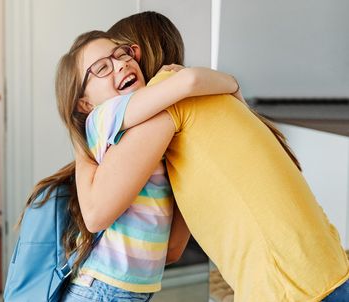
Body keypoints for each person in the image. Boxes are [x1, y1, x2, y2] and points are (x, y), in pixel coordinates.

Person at [67, 11, 348, 301]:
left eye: (123, 54)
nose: (121, 64)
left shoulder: (168, 101)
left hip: (288, 288)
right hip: (328, 270)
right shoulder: (207, 99)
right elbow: (174, 248)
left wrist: (76, 135)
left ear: (136, 54)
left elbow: (96, 213)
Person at [55, 30, 244, 301]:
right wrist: (234, 85)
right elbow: (190, 81)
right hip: (102, 288)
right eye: (102, 68)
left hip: (122, 288)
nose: (120, 64)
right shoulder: (101, 116)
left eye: (121, 53)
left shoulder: (137, 127)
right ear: (85, 103)